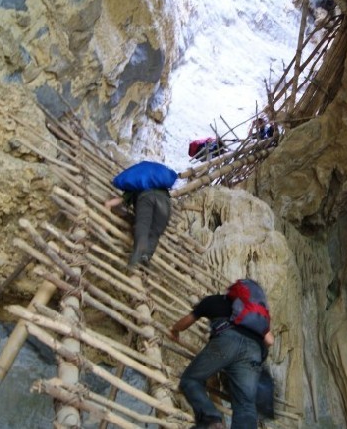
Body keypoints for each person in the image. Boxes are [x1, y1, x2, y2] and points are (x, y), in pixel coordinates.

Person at [169, 280, 275, 429]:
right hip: (254, 350)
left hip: (227, 341)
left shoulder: (213, 300)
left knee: (191, 379)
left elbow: (187, 321)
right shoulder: (255, 317)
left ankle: (211, 420)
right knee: (245, 405)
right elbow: (270, 341)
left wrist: (174, 330)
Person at [105, 161, 176, 268]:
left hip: (145, 199)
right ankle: (146, 256)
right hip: (164, 203)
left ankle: (136, 255)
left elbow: (121, 199)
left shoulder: (137, 185)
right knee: (156, 231)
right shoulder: (162, 187)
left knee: (143, 226)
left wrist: (108, 204)